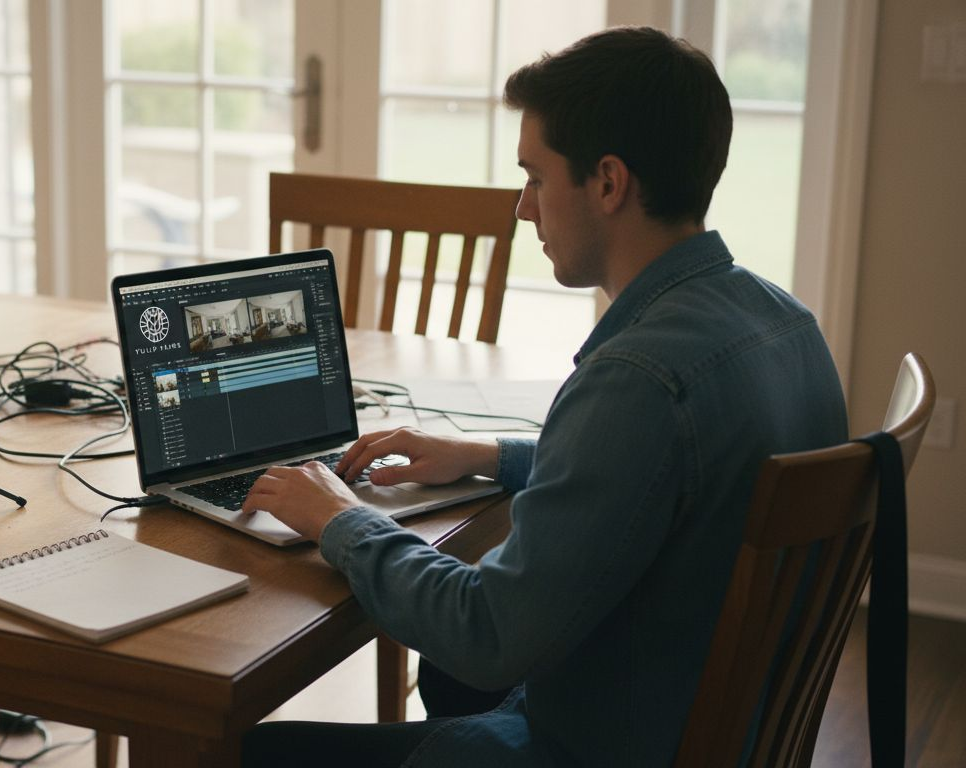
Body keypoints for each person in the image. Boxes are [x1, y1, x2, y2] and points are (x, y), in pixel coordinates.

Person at [240, 25, 847, 768]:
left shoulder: (639, 379)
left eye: (534, 176)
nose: (524, 208)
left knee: (253, 753)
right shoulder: (785, 322)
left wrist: (339, 517)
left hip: (599, 745)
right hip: (703, 722)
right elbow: (660, 480)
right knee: (447, 676)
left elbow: (487, 632)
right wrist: (489, 456)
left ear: (608, 183)